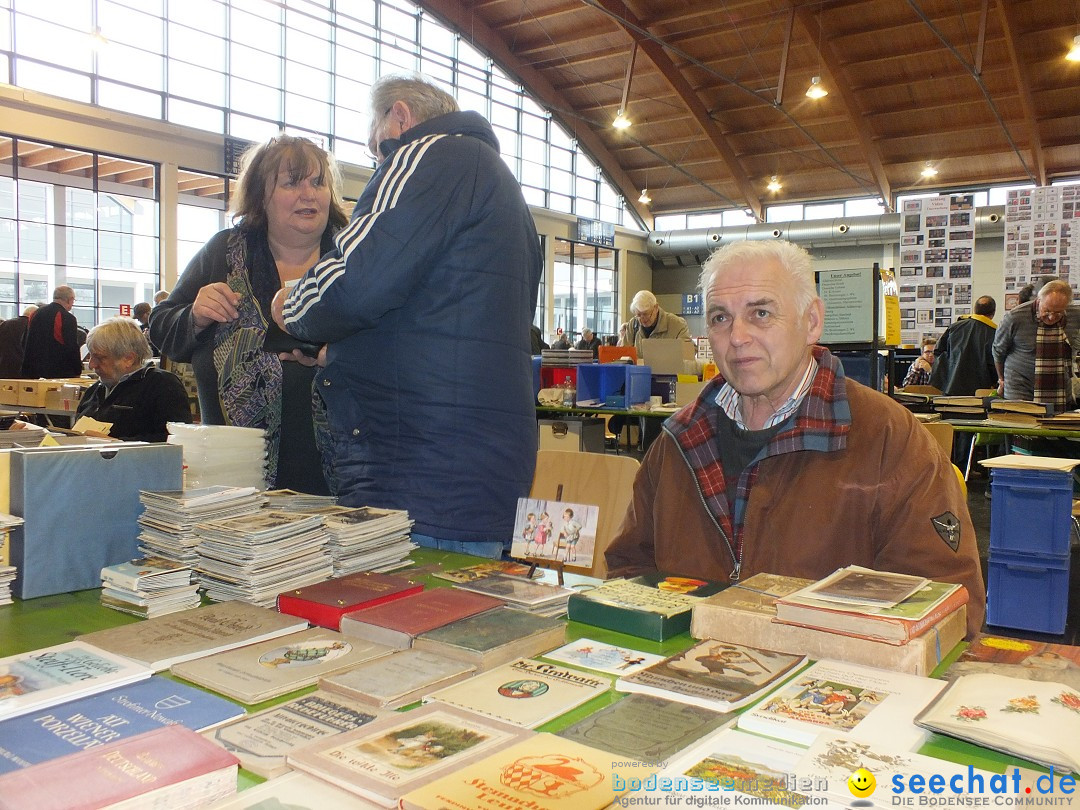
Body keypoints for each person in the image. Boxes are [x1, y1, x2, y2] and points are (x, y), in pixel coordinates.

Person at [605, 240, 985, 637]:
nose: (737, 336)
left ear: (812, 321)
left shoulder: (892, 442)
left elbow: (948, 609)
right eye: (720, 318)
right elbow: (630, 569)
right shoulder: (679, 442)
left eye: (761, 313)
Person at [273, 73, 542, 559]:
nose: (378, 160)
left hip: (417, 474)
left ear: (399, 116)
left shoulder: (426, 155)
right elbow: (443, 320)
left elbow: (354, 283)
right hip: (479, 479)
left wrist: (290, 303)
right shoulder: (502, 191)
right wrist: (346, 353)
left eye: (375, 148)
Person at [150, 135, 348, 495]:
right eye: (292, 182)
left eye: (318, 182)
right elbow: (161, 328)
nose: (309, 193)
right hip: (233, 477)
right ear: (261, 196)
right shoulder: (223, 252)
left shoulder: (354, 258)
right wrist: (194, 314)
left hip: (344, 475)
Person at [76, 317, 192, 442]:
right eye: (91, 356)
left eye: (100, 358)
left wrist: (118, 444)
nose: (92, 364)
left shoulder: (163, 386)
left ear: (128, 358)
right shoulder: (95, 390)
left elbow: (178, 438)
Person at [993, 279, 1080, 410]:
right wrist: (1001, 379)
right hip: (1020, 387)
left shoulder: (1075, 315)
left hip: (1059, 386)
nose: (1051, 317)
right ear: (1039, 301)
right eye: (1047, 310)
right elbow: (998, 351)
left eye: (1058, 313)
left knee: (1057, 426)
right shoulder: (1015, 317)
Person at [929, 296, 997, 395]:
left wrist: (945, 381)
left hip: (950, 389)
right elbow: (994, 363)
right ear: (993, 313)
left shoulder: (954, 327)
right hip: (979, 393)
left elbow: (938, 353)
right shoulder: (994, 333)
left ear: (975, 310)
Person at [21, 286, 82, 379]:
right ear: (70, 299)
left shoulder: (35, 313)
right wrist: (77, 370)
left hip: (31, 372)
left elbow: (24, 341)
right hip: (57, 373)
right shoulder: (67, 317)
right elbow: (71, 347)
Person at [619, 290, 692, 352]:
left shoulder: (677, 324)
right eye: (638, 315)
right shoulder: (633, 324)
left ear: (656, 308)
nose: (642, 318)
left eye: (646, 314)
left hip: (668, 368)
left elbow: (688, 353)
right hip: (640, 368)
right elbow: (624, 354)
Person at [0, 304, 37, 377]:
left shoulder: (5, 324)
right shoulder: (32, 327)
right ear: (34, 315)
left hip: (4, 369)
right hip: (22, 370)